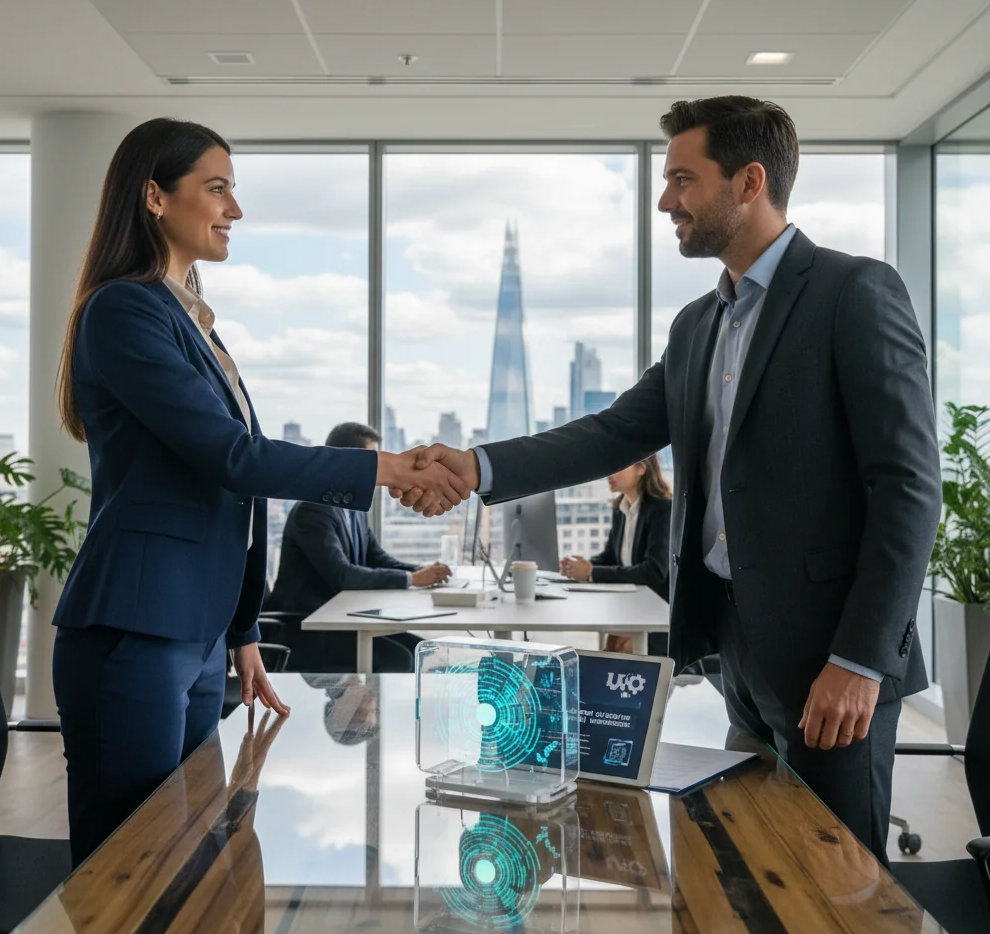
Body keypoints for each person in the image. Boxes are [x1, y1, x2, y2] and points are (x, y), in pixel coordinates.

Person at [398, 96, 941, 864]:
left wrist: (860, 661)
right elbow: (612, 433)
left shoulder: (852, 293)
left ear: (749, 182)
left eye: (683, 180)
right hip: (735, 647)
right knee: (750, 857)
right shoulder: (699, 324)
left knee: (838, 878)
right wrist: (477, 466)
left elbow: (911, 489)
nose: (665, 201)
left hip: (832, 656)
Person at [52, 118, 467, 865]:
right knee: (128, 867)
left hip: (197, 634)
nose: (234, 211)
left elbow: (226, 498)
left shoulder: (194, 324)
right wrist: (389, 468)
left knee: (191, 853)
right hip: (136, 629)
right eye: (217, 190)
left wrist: (240, 630)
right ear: (154, 196)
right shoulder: (124, 310)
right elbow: (234, 459)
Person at [267, 421, 451, 672]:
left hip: (342, 620)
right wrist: (412, 579)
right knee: (402, 659)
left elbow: (376, 557)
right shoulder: (313, 510)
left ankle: (378, 711)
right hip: (308, 629)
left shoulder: (352, 505)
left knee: (425, 652)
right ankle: (374, 711)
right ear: (345, 461)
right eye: (371, 460)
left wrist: (422, 571)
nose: (377, 469)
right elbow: (343, 575)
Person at [560, 453, 671, 655]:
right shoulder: (621, 508)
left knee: (617, 650)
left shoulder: (663, 510)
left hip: (661, 613)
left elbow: (654, 571)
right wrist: (578, 567)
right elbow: (610, 557)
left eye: (617, 466)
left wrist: (591, 572)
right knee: (611, 647)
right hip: (633, 607)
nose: (608, 473)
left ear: (641, 468)